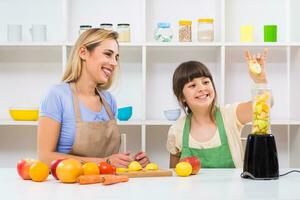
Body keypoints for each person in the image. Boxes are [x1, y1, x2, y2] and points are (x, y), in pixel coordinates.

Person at [37, 28, 149, 167]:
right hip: (69, 186)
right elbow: (45, 157)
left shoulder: (109, 101)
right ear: (83, 52)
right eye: (108, 54)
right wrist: (104, 162)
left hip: (106, 185)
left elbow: (109, 159)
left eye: (116, 57)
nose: (114, 63)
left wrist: (130, 162)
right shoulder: (57, 96)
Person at [166, 49, 270, 168]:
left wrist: (260, 80)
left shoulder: (231, 115)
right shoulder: (176, 130)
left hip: (234, 187)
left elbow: (266, 104)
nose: (201, 88)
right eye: (192, 85)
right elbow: (174, 177)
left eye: (205, 82)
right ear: (182, 97)